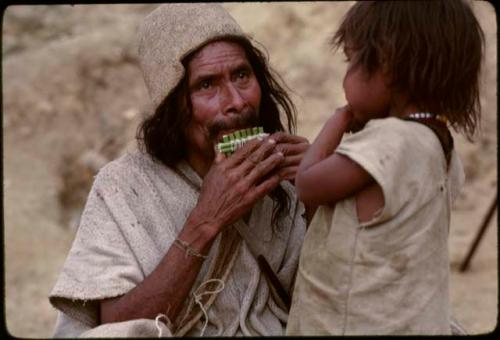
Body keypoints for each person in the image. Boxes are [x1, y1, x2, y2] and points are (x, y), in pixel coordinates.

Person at [49, 4, 310, 337]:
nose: (235, 101)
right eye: (206, 85)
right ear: (171, 103)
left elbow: (330, 302)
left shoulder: (283, 183)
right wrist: (206, 220)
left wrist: (321, 200)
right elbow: (117, 328)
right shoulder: (122, 186)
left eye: (242, 76)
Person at [286, 0, 484, 335]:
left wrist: (339, 118)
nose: (345, 79)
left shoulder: (387, 141)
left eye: (350, 61)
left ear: (388, 63)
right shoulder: (441, 150)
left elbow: (306, 184)